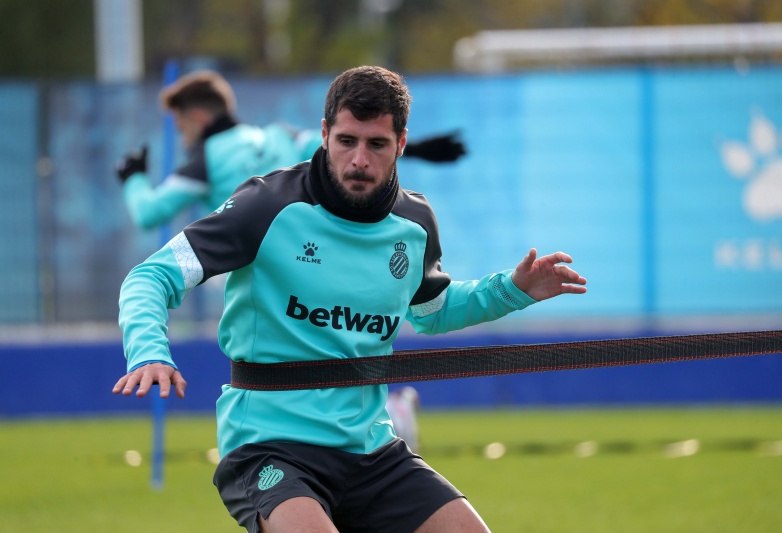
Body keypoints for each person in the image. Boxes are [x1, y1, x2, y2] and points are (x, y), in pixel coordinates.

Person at [113, 65, 587, 532]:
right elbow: (150, 277)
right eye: (346, 141)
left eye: (376, 144)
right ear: (324, 134)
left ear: (401, 143)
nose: (359, 160)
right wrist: (149, 352)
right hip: (268, 446)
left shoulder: (415, 223)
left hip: (371, 450)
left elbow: (433, 312)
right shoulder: (266, 205)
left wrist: (513, 290)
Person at [115, 69, 466, 231]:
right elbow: (349, 144)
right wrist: (417, 149)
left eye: (181, 126)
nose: (182, 136)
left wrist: (134, 177)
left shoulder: (205, 160)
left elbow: (148, 214)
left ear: (198, 117)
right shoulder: (279, 135)